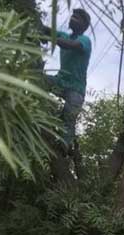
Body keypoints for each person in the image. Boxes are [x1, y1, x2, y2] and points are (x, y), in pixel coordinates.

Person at [41, 9, 92, 151]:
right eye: (73, 16)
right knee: (39, 80)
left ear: (84, 26)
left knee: (68, 121)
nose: (73, 19)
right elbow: (47, 30)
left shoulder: (84, 40)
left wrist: (52, 38)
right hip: (60, 81)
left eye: (77, 18)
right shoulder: (63, 35)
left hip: (76, 89)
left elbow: (71, 45)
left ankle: (65, 148)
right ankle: (44, 113)